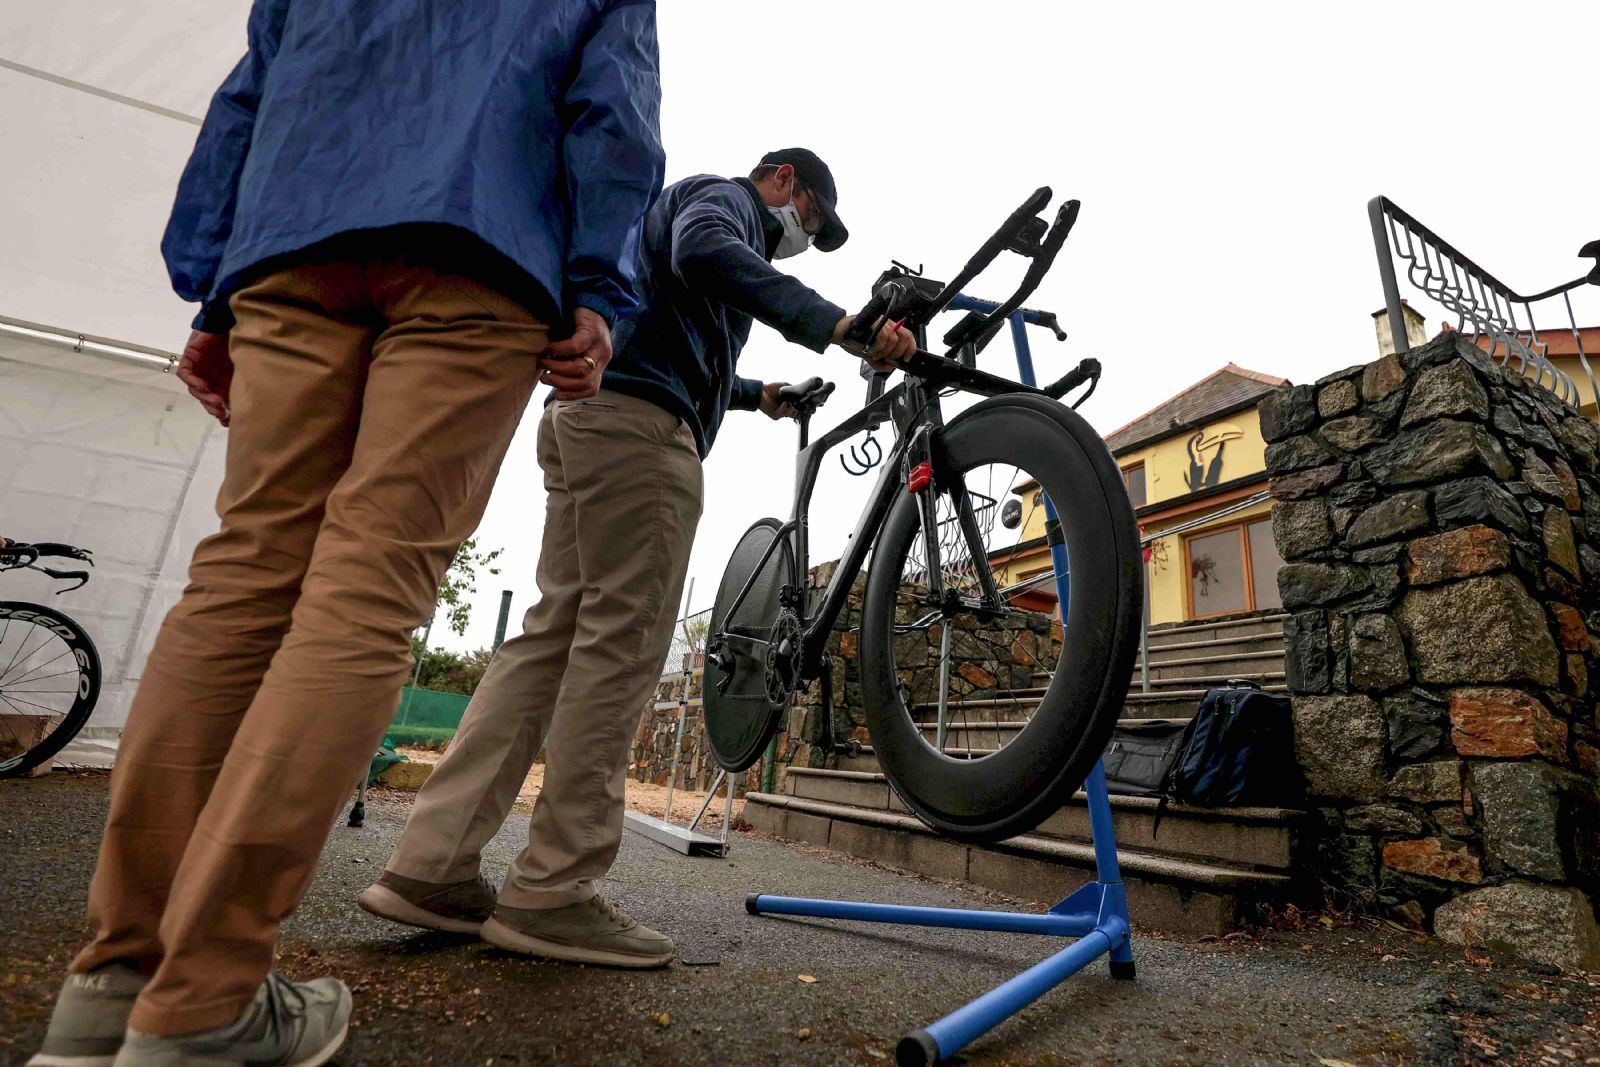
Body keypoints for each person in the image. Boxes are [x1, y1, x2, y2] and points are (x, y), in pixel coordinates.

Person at [27, 3, 663, 1065]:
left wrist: (212, 283)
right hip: (482, 252)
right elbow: (614, 121)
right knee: (365, 591)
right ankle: (206, 994)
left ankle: (115, 975)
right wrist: (599, 288)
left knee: (240, 573)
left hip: (296, 238)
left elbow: (246, 101)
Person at [357, 149, 917, 968]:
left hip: (592, 418)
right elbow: (707, 256)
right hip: (643, 442)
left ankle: (430, 867)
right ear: (785, 182)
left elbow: (663, 324)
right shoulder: (722, 205)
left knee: (547, 645)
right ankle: (553, 891)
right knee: (620, 653)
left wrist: (756, 394)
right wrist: (838, 324)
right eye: (812, 223)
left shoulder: (684, 222)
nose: (801, 239)